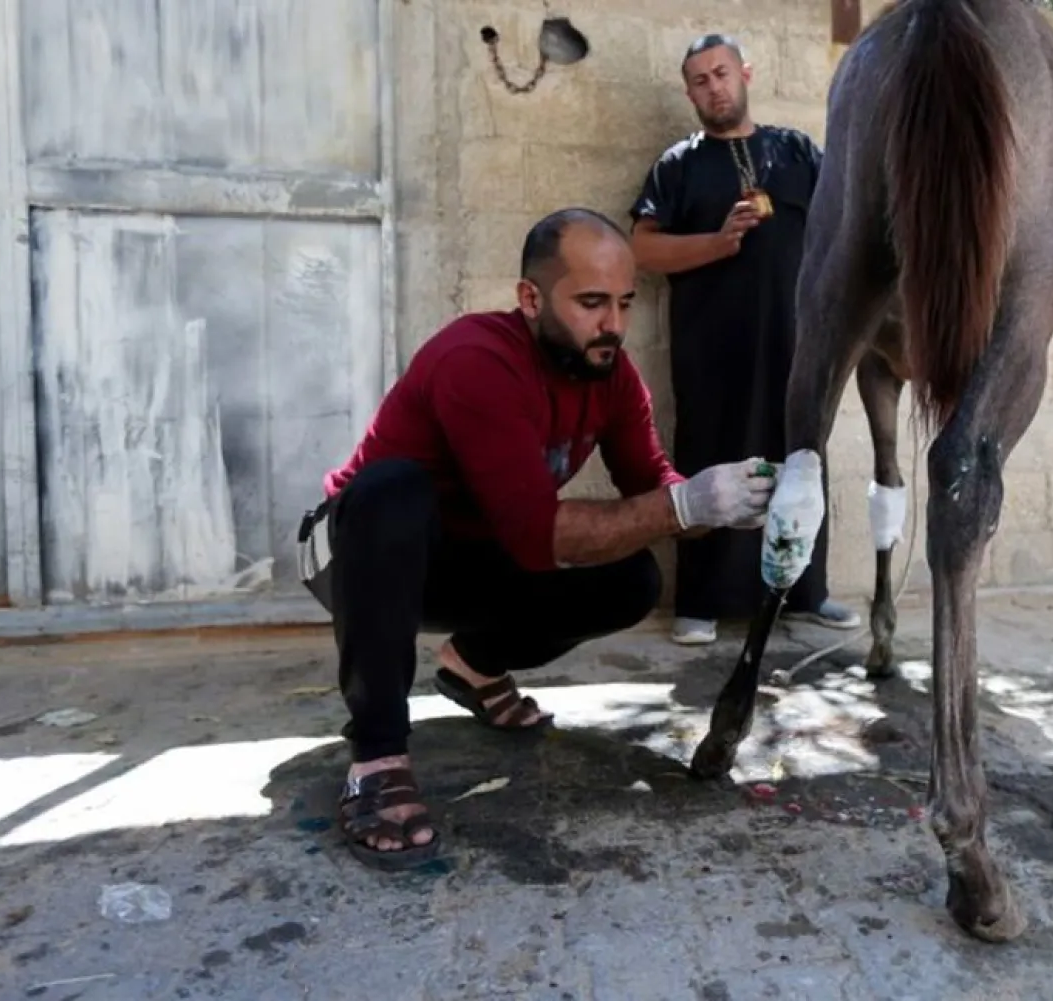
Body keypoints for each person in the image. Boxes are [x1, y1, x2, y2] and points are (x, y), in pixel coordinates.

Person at [296, 207, 779, 871]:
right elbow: (537, 536)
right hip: (353, 553)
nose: (612, 324)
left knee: (631, 578)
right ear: (530, 298)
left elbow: (652, 485)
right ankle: (377, 758)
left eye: (624, 302)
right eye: (590, 302)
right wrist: (683, 505)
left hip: (469, 557)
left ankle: (472, 664)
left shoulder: (611, 374)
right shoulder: (477, 360)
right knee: (392, 492)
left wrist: (731, 502)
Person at [629, 33, 861, 647]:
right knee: (711, 457)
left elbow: (840, 227)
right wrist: (717, 243)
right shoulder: (679, 164)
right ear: (689, 92)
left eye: (722, 73)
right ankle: (701, 601)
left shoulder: (796, 151)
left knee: (802, 456)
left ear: (745, 74)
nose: (714, 87)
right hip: (712, 350)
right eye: (700, 80)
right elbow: (641, 247)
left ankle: (807, 593)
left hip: (798, 339)